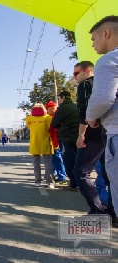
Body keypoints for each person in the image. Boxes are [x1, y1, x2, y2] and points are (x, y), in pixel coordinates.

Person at [86, 15, 118, 225]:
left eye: (94, 39)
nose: (93, 44)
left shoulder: (109, 60)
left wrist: (90, 117)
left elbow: (102, 99)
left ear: (106, 33)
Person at [72, 61, 108, 214]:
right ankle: (113, 211)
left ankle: (97, 210)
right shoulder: (104, 83)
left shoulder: (85, 85)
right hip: (108, 132)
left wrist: (81, 135)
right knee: (108, 174)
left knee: (81, 172)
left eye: (76, 73)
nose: (74, 77)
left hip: (92, 134)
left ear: (87, 71)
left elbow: (85, 112)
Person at [51, 91, 79, 191]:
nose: (59, 100)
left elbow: (54, 123)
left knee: (68, 160)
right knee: (77, 159)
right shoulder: (76, 106)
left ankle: (73, 184)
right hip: (77, 137)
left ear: (62, 98)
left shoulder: (62, 108)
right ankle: (80, 182)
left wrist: (62, 125)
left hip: (66, 138)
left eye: (59, 98)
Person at [26, 103, 55, 188]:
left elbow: (29, 128)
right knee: (47, 162)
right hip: (46, 141)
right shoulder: (48, 117)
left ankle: (37, 181)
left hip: (34, 142)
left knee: (36, 162)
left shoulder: (29, 118)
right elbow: (51, 129)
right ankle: (50, 182)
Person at [45, 101, 67, 184]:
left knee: (58, 159)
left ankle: (62, 176)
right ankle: (55, 174)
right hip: (53, 141)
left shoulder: (55, 117)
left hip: (56, 141)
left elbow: (54, 131)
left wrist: (56, 143)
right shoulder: (50, 117)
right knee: (54, 159)